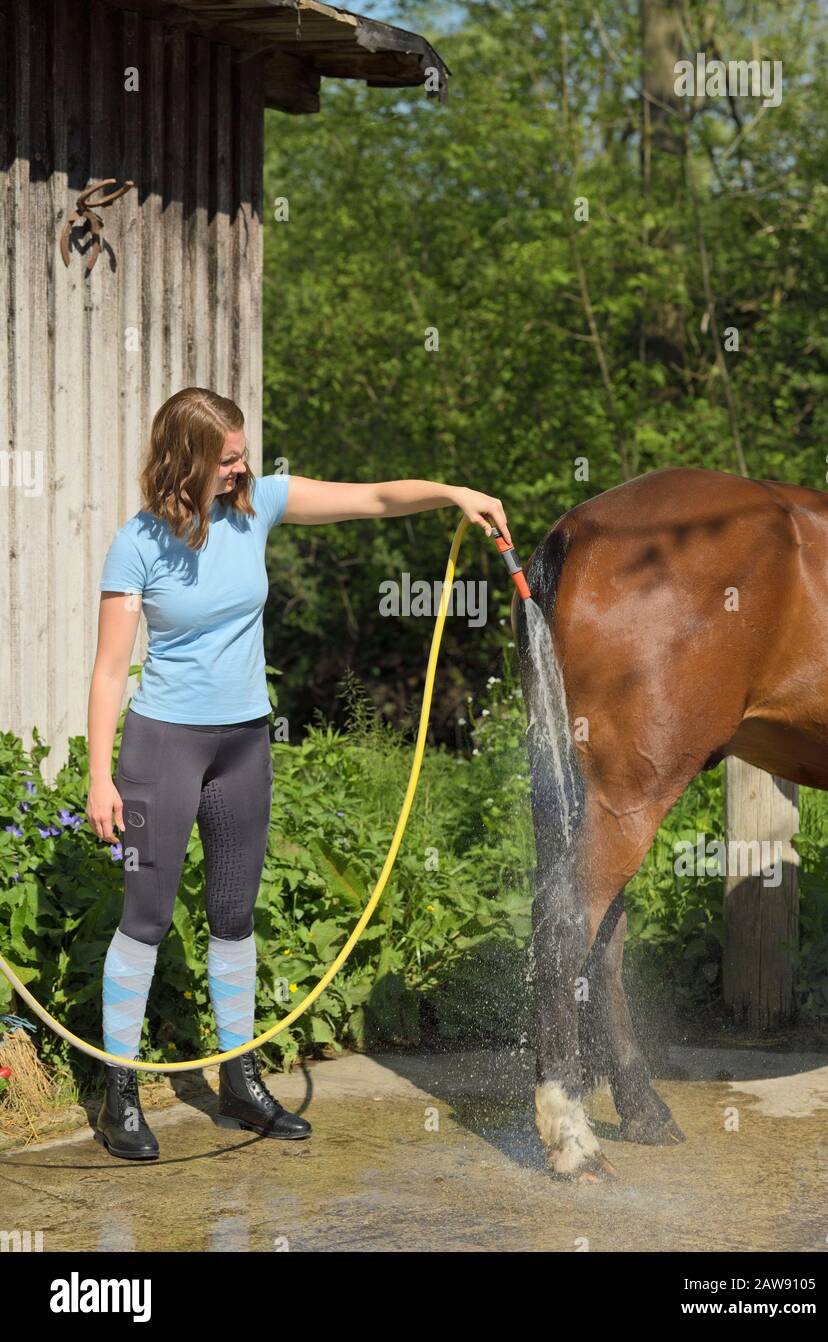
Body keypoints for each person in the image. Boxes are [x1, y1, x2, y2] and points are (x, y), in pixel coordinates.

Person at [86, 386, 511, 1161]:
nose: (242, 466)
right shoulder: (136, 544)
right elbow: (112, 671)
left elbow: (375, 498)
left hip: (244, 743)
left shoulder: (258, 507)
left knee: (234, 914)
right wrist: (98, 775)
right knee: (145, 918)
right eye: (227, 457)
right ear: (184, 460)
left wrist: (452, 492)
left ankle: (238, 1081)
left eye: (243, 451)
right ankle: (119, 1090)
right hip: (162, 747)